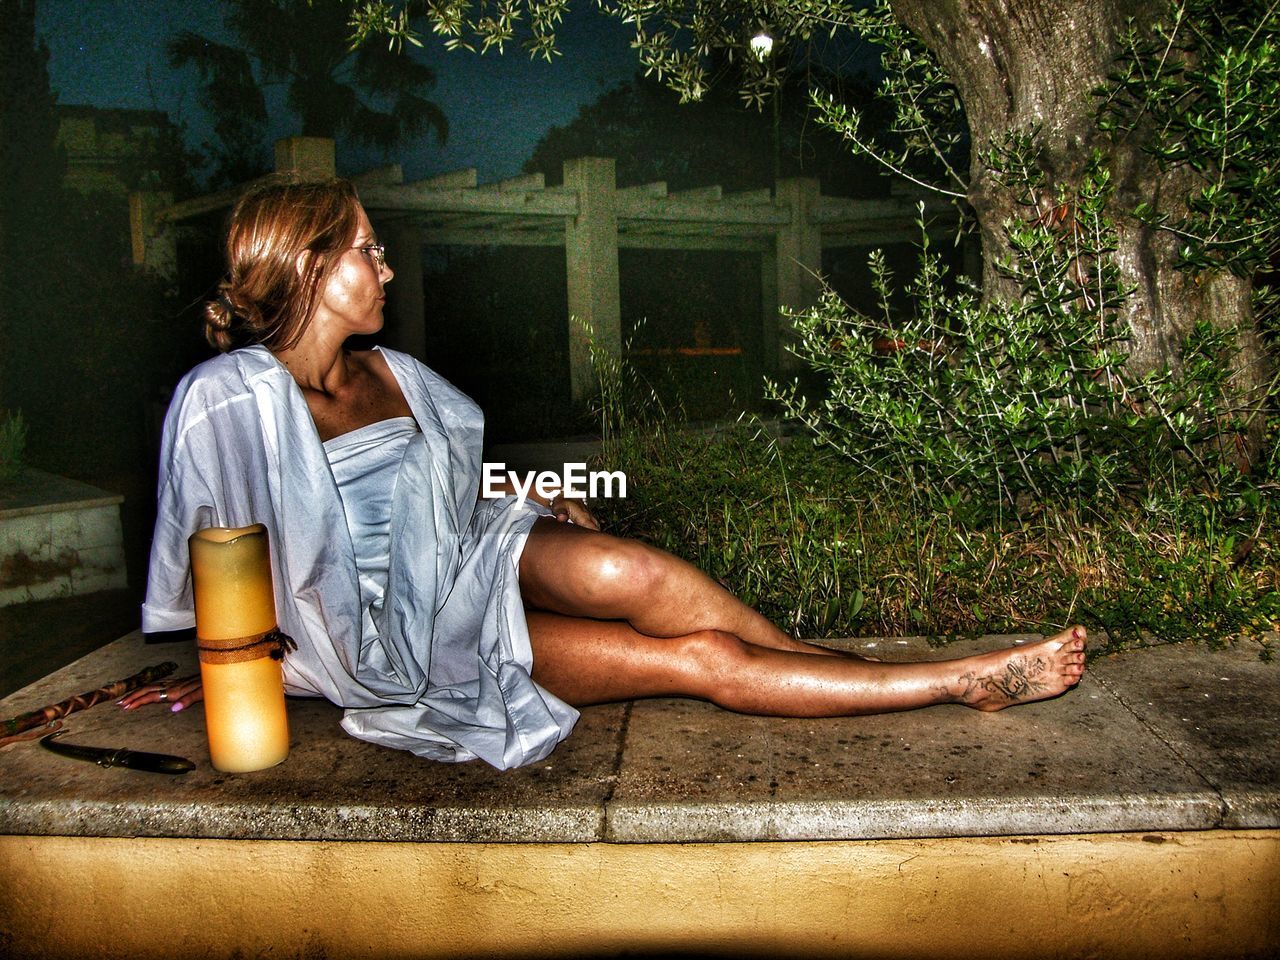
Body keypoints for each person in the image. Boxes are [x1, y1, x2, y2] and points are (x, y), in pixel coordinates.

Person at [124, 175, 1087, 770]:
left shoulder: (398, 376)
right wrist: (270, 683)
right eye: (365, 250)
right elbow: (216, 573)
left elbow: (436, 493)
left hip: (468, 556)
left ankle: (833, 673)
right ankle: (956, 680)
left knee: (636, 570)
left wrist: (525, 491)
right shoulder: (231, 399)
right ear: (306, 265)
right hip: (399, 643)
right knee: (700, 663)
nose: (383, 266)